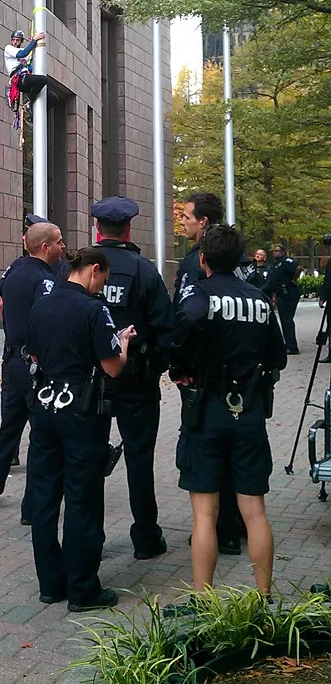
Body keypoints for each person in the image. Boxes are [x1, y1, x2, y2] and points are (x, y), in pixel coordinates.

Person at [171, 224, 287, 595]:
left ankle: (203, 600)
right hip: (249, 410)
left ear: (202, 259)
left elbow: (184, 329)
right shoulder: (258, 298)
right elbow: (278, 357)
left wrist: (181, 369)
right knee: (254, 511)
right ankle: (263, 596)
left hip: (206, 410)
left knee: (205, 512)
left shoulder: (198, 296)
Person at [26, 247, 136, 611]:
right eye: (102, 279)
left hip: (44, 405)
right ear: (93, 270)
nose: (101, 286)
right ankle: (83, 588)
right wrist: (122, 343)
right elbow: (113, 367)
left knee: (43, 495)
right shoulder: (94, 310)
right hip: (82, 411)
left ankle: (49, 583)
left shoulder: (41, 304)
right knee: (82, 497)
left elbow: (35, 354)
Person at [91, 195, 174, 560]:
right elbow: (165, 328)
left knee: (88, 459)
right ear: (127, 229)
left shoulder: (80, 268)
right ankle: (145, 538)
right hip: (136, 382)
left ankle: (90, 539)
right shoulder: (143, 270)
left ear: (97, 229)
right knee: (139, 459)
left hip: (89, 381)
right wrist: (161, 367)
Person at [0, 221, 65, 521]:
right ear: (45, 247)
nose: (63, 248)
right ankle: (32, 507)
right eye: (59, 242)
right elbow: (48, 322)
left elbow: (2, 306)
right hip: (35, 365)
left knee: (9, 430)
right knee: (41, 435)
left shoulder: (13, 269)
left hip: (12, 362)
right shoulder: (45, 280)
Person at [175, 192, 243, 553]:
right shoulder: (239, 259)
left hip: (205, 379)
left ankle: (218, 529)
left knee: (208, 456)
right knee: (237, 454)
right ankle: (233, 525)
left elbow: (186, 317)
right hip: (245, 383)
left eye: (187, 216)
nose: (182, 221)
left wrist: (179, 366)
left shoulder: (196, 264)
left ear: (204, 222)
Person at [262, 244, 301, 355]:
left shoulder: (286, 261)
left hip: (288, 293)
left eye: (277, 251)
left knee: (287, 320)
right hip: (280, 294)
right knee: (284, 320)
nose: (275, 253)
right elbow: (274, 281)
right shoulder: (276, 264)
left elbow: (298, 268)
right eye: (274, 251)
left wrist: (293, 280)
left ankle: (292, 347)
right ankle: (288, 344)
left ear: (283, 252)